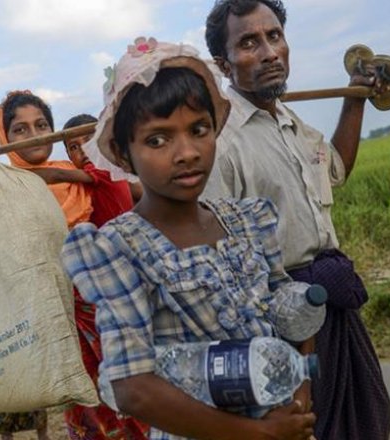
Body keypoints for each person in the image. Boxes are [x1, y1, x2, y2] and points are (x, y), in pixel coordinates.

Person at [61, 37, 317, 440]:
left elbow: (291, 313)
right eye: (157, 140)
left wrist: (298, 394)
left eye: (198, 129)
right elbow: (133, 389)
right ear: (124, 154)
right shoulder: (119, 248)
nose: (187, 153)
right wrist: (257, 434)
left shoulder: (246, 220)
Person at [202, 1, 390, 439]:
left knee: (365, 418)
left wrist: (355, 97)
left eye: (274, 36)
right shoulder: (221, 144)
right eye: (249, 42)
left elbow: (335, 166)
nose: (269, 52)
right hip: (281, 322)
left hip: (333, 306)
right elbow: (220, 266)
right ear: (223, 65)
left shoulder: (290, 122)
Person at [60, 113, 150, 439]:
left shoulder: (102, 173)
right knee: (94, 371)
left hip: (122, 284)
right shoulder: (78, 185)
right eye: (72, 147)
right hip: (91, 291)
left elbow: (145, 193)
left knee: (128, 367)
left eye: (87, 142)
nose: (81, 151)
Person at [0, 91, 94, 229]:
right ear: (5, 139)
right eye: (20, 130)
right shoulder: (4, 191)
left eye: (41, 126)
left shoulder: (74, 169)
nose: (34, 136)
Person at [64, 113, 143, 219]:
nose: (84, 150)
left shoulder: (114, 173)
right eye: (74, 147)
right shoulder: (71, 186)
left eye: (89, 141)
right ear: (69, 155)